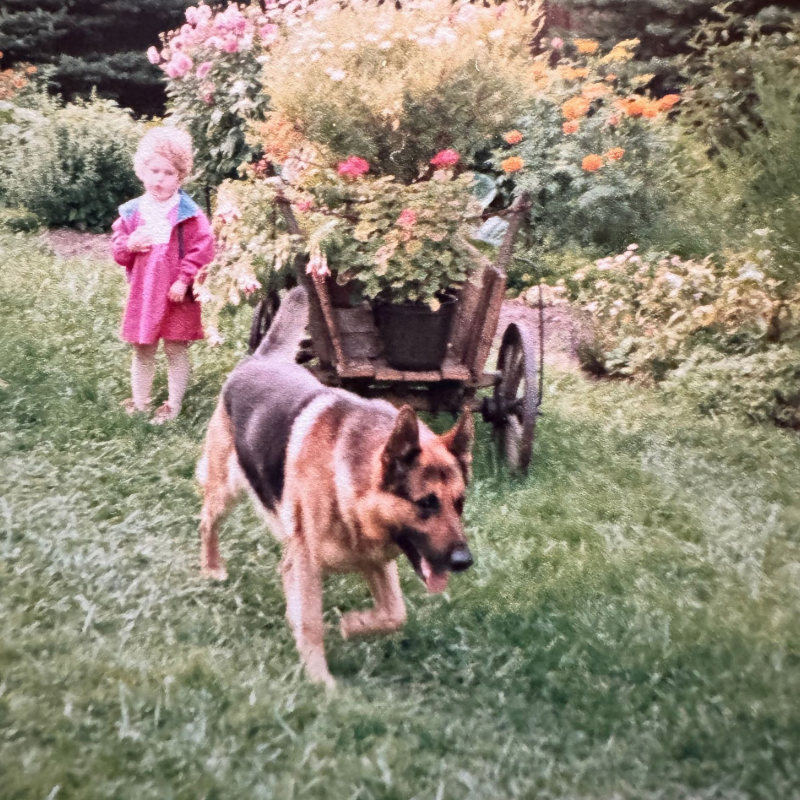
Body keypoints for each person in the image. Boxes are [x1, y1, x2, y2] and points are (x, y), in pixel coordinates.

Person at [111, 127, 214, 423]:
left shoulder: (189, 213)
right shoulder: (133, 212)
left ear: (180, 177)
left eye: (168, 173)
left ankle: (173, 405)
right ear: (141, 171)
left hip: (176, 293)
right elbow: (118, 250)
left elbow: (203, 248)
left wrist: (184, 278)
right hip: (144, 292)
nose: (159, 178)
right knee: (142, 347)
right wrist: (130, 245)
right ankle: (141, 402)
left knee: (175, 347)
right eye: (154, 170)